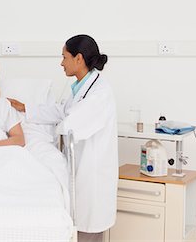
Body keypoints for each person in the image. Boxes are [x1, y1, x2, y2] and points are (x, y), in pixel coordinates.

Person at [8, 34, 118, 242]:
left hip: (92, 174)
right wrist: (25, 108)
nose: (61, 63)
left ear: (78, 59)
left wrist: (42, 135)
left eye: (64, 57)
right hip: (82, 171)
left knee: (89, 230)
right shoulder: (81, 87)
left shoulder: (98, 94)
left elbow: (69, 124)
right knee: (81, 227)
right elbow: (62, 111)